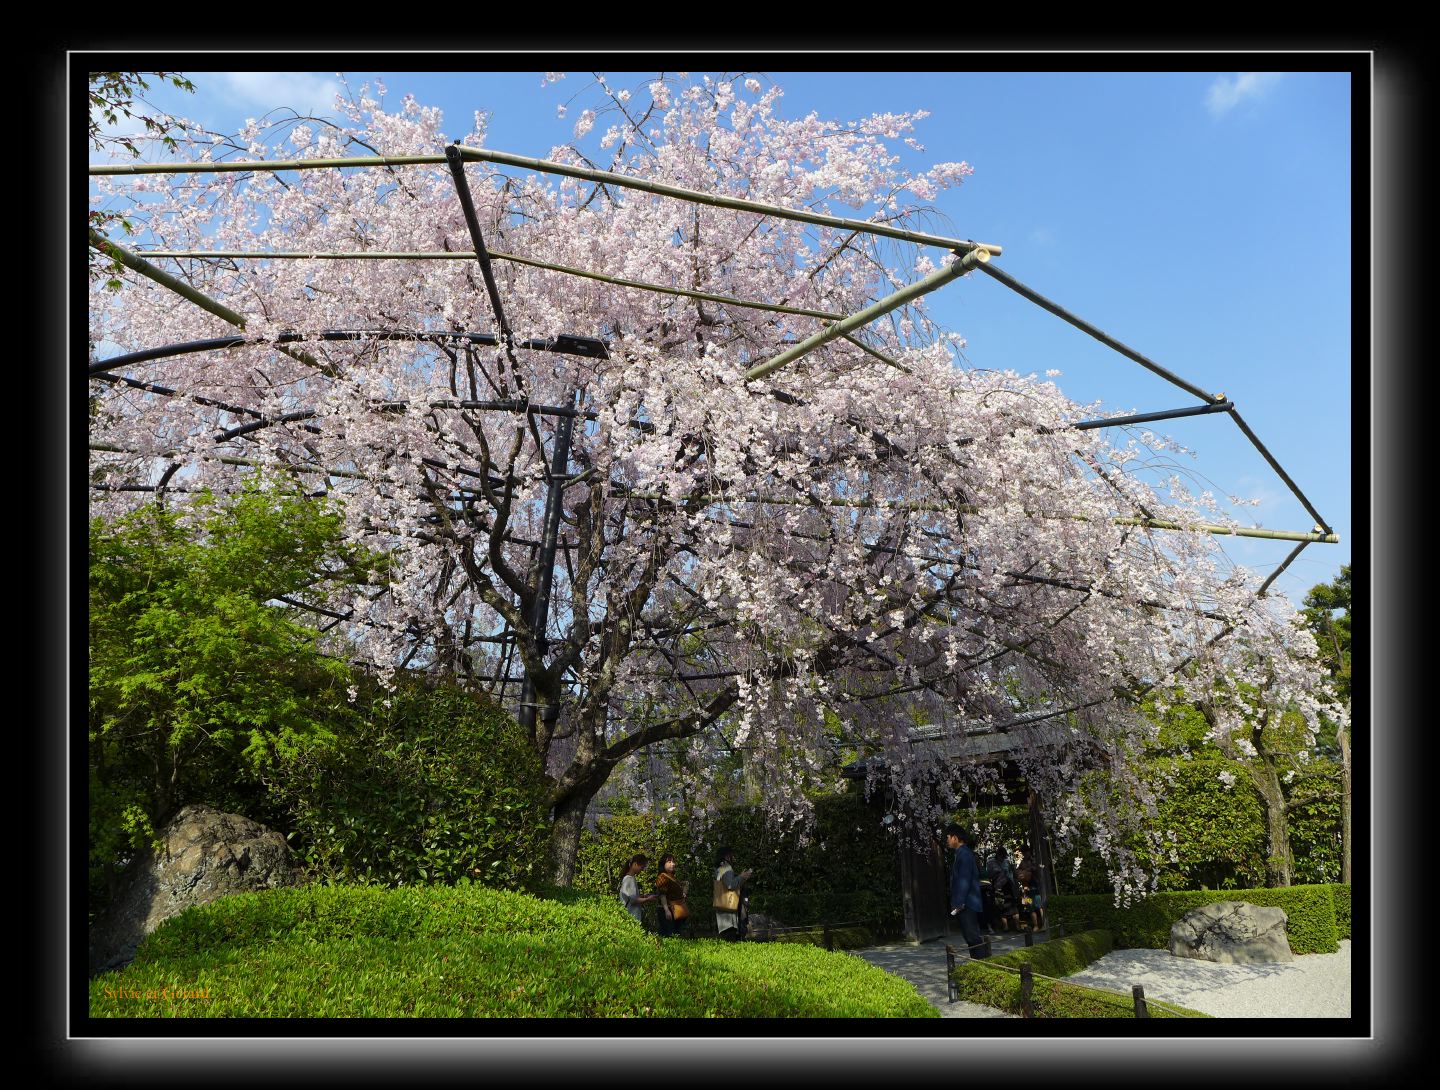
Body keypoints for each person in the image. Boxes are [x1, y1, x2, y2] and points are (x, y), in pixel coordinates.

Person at [944, 824, 987, 960]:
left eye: (948, 838)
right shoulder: (962, 853)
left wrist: (959, 902)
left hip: (967, 902)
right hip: (967, 901)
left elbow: (964, 880)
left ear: (955, 838)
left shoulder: (964, 854)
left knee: (972, 937)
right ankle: (979, 964)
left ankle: (984, 965)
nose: (947, 841)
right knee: (970, 937)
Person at [712, 846, 752, 941]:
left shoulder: (720, 867)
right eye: (732, 854)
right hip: (728, 908)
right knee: (731, 934)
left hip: (722, 905)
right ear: (727, 855)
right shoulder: (726, 867)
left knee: (726, 933)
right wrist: (741, 877)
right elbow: (730, 885)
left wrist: (740, 877)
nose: (734, 857)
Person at [987, 844, 1022, 932]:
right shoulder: (991, 862)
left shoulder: (1007, 861)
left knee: (1013, 906)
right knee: (1002, 906)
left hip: (1009, 885)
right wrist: (997, 874)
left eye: (1003, 855)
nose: (1002, 857)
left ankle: (1017, 926)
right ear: (998, 854)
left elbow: (1013, 873)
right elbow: (989, 875)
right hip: (999, 887)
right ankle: (1006, 927)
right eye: (1001, 855)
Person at [654, 852, 689, 938]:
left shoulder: (671, 876)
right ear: (663, 864)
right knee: (668, 935)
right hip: (668, 910)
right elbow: (662, 895)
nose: (672, 864)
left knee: (675, 934)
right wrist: (666, 910)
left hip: (676, 909)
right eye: (669, 862)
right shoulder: (662, 877)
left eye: (673, 862)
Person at [618, 853, 658, 926]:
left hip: (632, 917)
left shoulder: (631, 878)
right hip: (630, 918)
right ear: (635, 864)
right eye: (642, 867)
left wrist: (643, 896)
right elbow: (633, 901)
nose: (642, 870)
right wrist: (648, 899)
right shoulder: (628, 879)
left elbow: (631, 896)